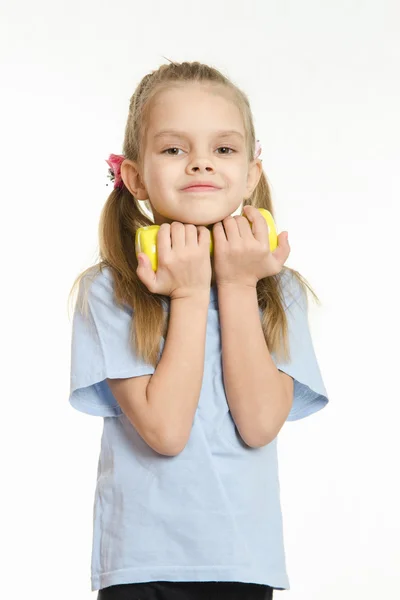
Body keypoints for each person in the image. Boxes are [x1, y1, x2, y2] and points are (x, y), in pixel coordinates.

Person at [68, 60, 329, 600]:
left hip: (243, 561)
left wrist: (234, 287)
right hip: (143, 565)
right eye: (173, 149)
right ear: (134, 175)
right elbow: (165, 431)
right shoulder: (110, 288)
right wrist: (189, 293)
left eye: (224, 149)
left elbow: (259, 424)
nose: (201, 164)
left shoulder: (276, 289)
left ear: (251, 174)